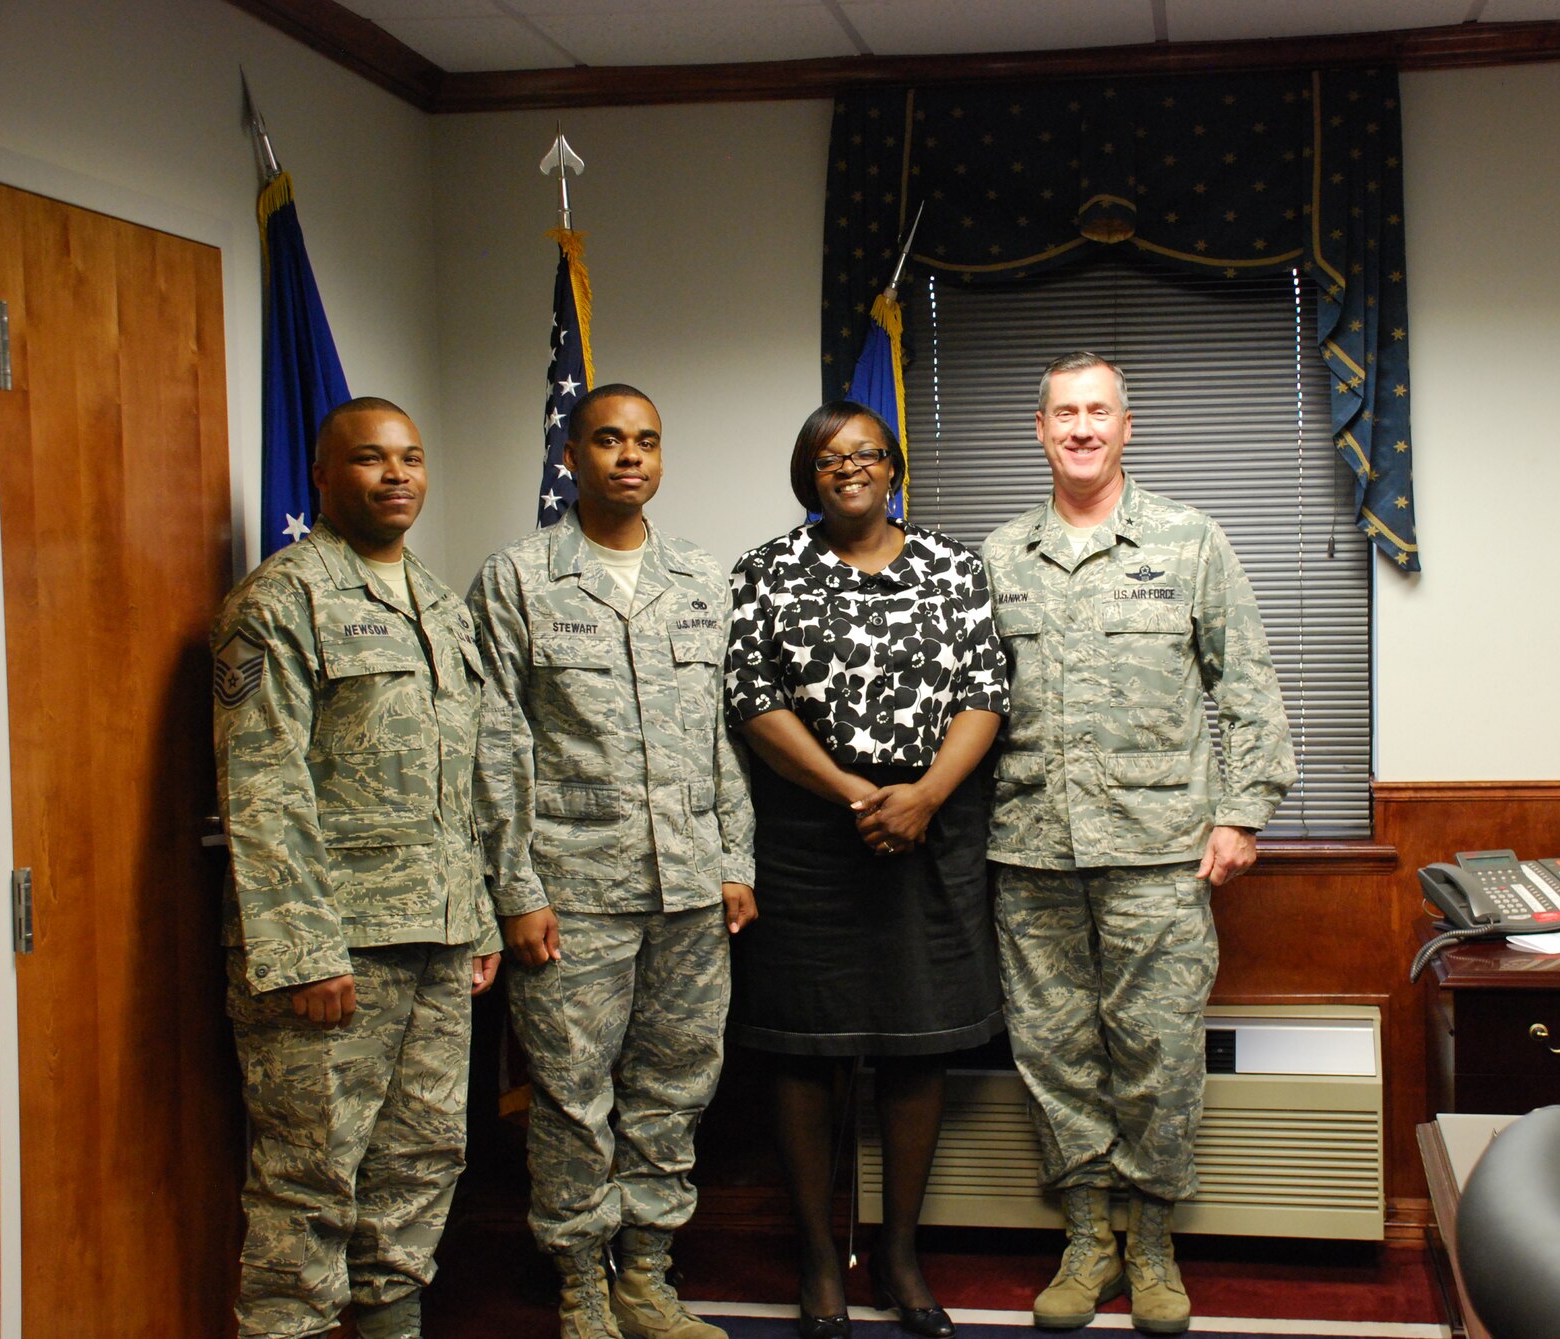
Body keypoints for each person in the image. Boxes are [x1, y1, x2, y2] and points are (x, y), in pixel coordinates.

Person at [981, 354, 1296, 1335]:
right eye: (1064, 413)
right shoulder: (998, 556)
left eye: (1098, 411)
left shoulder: (1188, 540)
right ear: (1040, 429)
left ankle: (1152, 1240)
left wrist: (1242, 812)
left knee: (1158, 1050)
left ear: (1126, 426)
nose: (1081, 427)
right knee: (1053, 1051)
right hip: (1031, 847)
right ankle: (1087, 1238)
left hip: (1159, 850)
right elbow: (968, 708)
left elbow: (1246, 683)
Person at [467, 383, 757, 1339]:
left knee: (676, 1086)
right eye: (607, 439)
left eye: (646, 441)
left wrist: (736, 858)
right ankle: (581, 1284)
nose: (629, 456)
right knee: (570, 1092)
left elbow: (725, 736)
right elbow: (496, 741)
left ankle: (646, 1275)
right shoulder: (517, 578)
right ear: (571, 455)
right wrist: (516, 888)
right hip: (574, 889)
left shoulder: (701, 578)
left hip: (690, 887)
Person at [212, 396, 503, 1339]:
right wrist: (305, 954)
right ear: (323, 476)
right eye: (371, 458)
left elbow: (461, 779)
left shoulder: (439, 606)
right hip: (336, 949)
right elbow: (263, 785)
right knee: (309, 1179)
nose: (396, 475)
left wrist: (479, 917)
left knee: (421, 1162)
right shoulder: (281, 600)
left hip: (437, 937)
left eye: (410, 457)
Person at [725, 402, 1010, 1339]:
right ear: (807, 474)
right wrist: (856, 793)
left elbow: (985, 692)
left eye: (866, 453)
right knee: (805, 1046)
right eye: (828, 457)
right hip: (811, 838)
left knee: (918, 1043)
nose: (849, 467)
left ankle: (899, 1254)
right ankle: (818, 1258)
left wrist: (923, 795)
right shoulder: (766, 569)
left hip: (932, 830)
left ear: (893, 468)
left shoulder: (954, 567)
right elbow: (752, 698)